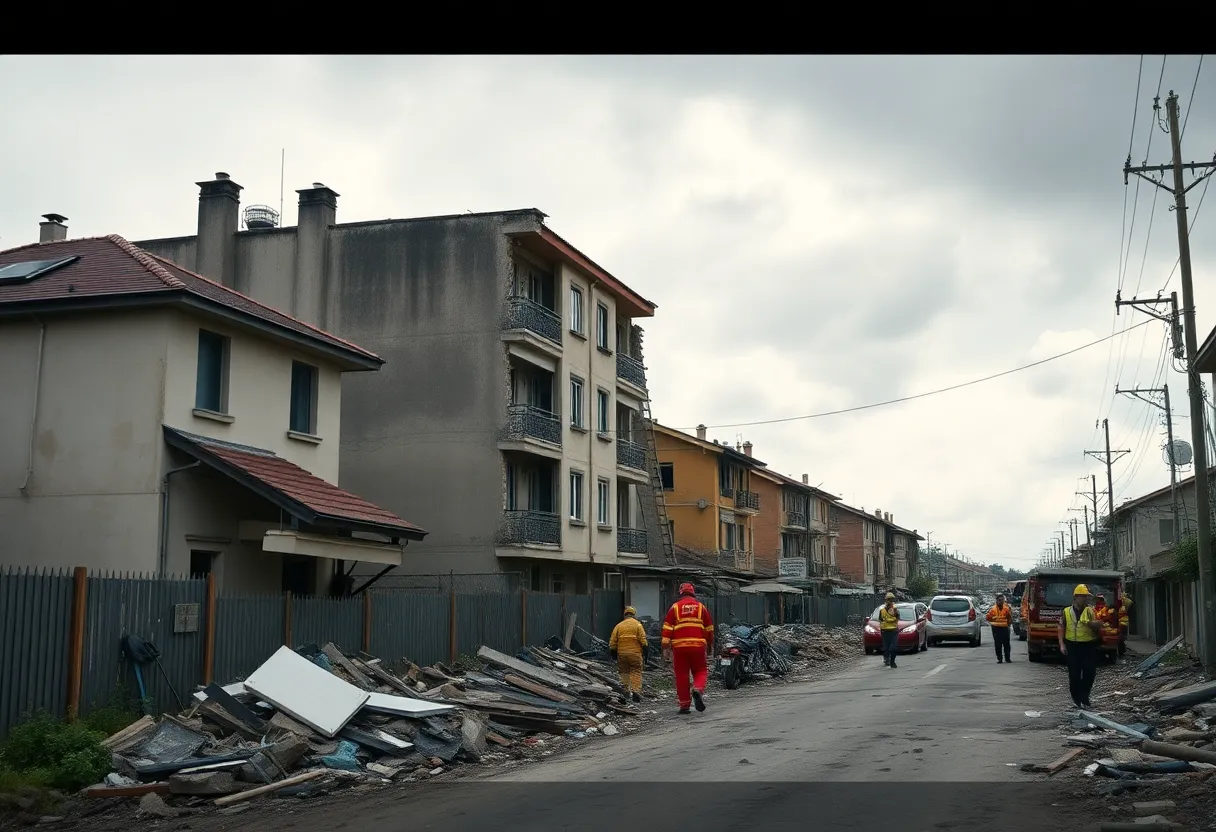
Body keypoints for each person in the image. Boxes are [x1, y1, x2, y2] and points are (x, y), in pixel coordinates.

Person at [661, 582, 715, 714]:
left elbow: (667, 628)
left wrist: (665, 647)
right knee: (701, 670)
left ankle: (684, 705)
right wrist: (710, 644)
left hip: (679, 647)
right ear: (693, 593)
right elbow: (709, 628)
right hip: (698, 646)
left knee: (681, 675)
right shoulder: (701, 607)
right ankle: (697, 689)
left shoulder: (674, 607)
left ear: (681, 593)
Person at [1058, 583, 1103, 709]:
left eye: (1087, 596)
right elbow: (1061, 627)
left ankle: (1085, 696)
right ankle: (1076, 698)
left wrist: (1094, 624)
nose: (1086, 598)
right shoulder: (1066, 611)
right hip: (1072, 645)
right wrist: (1062, 645)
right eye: (1083, 596)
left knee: (1090, 673)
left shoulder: (1091, 610)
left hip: (1088, 645)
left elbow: (1098, 624)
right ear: (1076, 597)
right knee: (1074, 674)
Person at [608, 606, 648, 705]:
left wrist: (613, 653)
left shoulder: (619, 626)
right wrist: (645, 651)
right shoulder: (638, 625)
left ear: (625, 614)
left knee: (624, 672)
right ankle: (635, 691)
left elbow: (612, 642)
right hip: (635, 654)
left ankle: (625, 691)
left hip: (622, 654)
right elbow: (643, 641)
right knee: (635, 672)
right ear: (634, 615)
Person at [986, 592, 1013, 663]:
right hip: (996, 628)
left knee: (1006, 644)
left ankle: (1007, 658)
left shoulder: (1006, 608)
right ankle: (999, 658)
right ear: (996, 600)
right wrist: (993, 621)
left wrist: (1008, 625)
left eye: (1002, 600)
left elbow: (1009, 618)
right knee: (998, 644)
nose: (1000, 601)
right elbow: (988, 617)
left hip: (1004, 628)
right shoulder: (993, 609)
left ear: (1004, 600)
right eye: (999, 600)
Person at [878, 592, 900, 669]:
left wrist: (889, 619)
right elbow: (881, 620)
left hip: (894, 630)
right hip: (885, 630)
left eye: (891, 600)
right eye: (888, 599)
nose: (890, 601)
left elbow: (897, 618)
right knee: (886, 647)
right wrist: (889, 620)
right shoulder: (882, 610)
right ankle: (887, 659)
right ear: (886, 600)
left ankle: (892, 661)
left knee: (894, 647)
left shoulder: (895, 609)